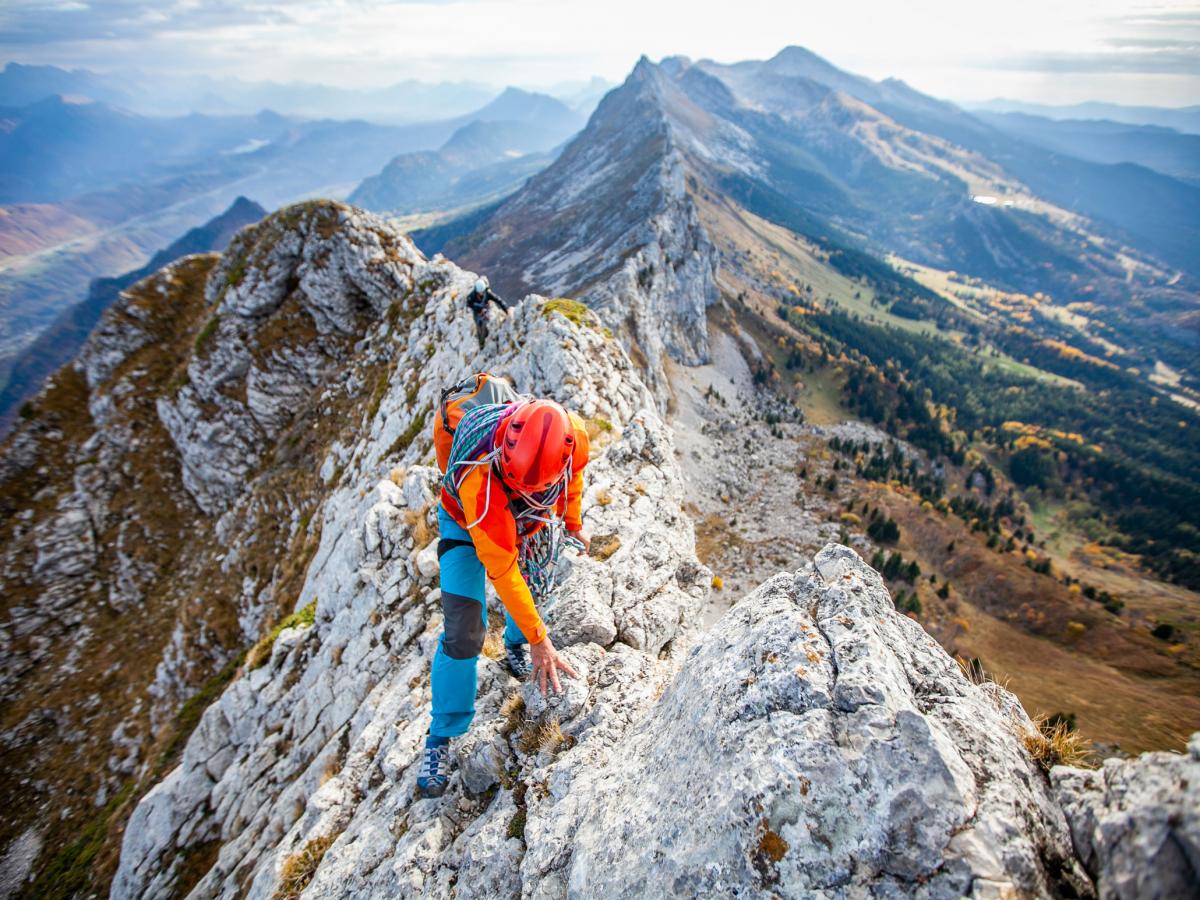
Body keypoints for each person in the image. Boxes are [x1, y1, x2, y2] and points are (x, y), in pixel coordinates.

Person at [417, 396, 591, 798]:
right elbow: (503, 571)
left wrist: (573, 521)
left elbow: (574, 475)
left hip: (523, 517)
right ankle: (441, 737)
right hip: (464, 521)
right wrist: (541, 642)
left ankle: (513, 644)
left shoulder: (573, 436)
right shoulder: (479, 477)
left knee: (533, 582)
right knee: (464, 632)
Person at [466, 276, 507, 344]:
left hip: (485, 309)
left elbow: (498, 300)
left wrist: (506, 309)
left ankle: (487, 334)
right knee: (479, 325)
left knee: (485, 323)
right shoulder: (471, 296)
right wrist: (478, 309)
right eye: (480, 292)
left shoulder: (487, 293)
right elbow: (469, 304)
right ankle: (481, 342)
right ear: (476, 291)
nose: (481, 293)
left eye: (482, 292)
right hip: (477, 312)